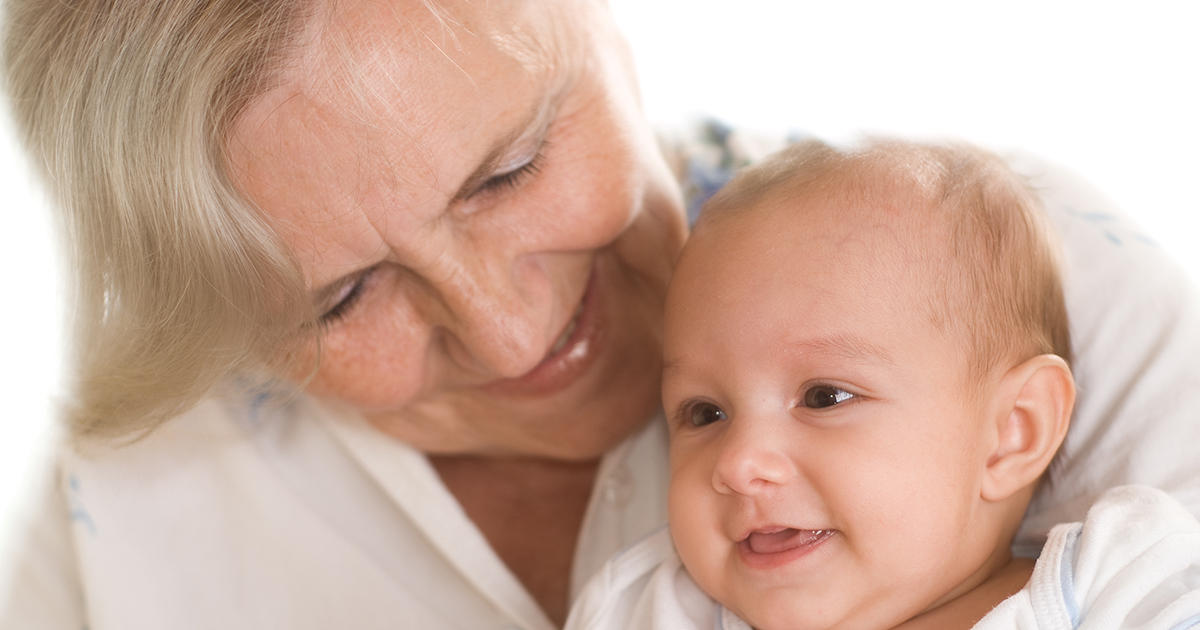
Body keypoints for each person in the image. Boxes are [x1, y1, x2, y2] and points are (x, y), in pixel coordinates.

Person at [2, 1, 1200, 629]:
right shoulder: (112, 499)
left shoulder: (990, 265)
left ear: (605, 26)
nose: (510, 337)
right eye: (340, 296)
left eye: (508, 168)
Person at [565, 138, 1200, 630]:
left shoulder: (1118, 585)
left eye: (824, 397)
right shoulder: (651, 609)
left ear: (1012, 432)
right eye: (704, 413)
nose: (738, 463)